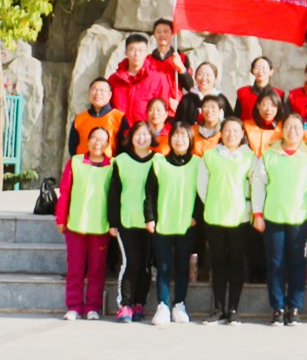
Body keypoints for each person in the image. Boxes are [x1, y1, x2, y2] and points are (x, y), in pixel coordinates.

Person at [253, 112, 307, 326]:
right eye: (288, 127)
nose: (292, 131)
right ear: (282, 130)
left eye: (297, 127)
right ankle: (278, 307)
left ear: (303, 131)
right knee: (275, 263)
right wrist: (257, 214)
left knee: (298, 263)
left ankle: (294, 307)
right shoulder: (269, 154)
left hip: (300, 218)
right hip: (273, 217)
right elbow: (258, 185)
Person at [197, 116, 257, 324]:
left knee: (237, 263)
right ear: (221, 133)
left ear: (242, 135)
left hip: (240, 218)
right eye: (227, 130)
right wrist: (215, 202)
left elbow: (255, 186)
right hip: (215, 216)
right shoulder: (210, 155)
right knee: (218, 263)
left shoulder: (250, 157)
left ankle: (233, 309)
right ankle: (218, 308)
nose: (231, 135)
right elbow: (202, 187)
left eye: (236, 131)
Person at [56, 124, 115, 321]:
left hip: (100, 225)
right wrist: (61, 218)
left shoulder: (111, 165)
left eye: (102, 139)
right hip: (76, 224)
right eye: (94, 138)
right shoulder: (75, 162)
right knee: (75, 268)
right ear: (87, 141)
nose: (97, 143)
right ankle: (74, 306)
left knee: (97, 270)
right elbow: (65, 192)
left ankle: (92, 307)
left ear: (108, 143)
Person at [107, 121, 160, 324]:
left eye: (146, 134)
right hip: (127, 220)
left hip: (151, 223)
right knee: (130, 263)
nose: (141, 138)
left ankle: (139, 302)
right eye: (138, 134)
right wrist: (113, 222)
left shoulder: (158, 160)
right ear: (131, 137)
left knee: (146, 266)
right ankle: (125, 305)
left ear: (152, 137)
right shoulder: (121, 161)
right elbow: (114, 194)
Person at [149, 122, 199, 326]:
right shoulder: (159, 162)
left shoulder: (198, 163)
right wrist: (150, 218)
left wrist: (196, 216)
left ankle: (179, 304)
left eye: (184, 136)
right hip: (163, 223)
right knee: (163, 266)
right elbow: (150, 193)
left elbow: (202, 193)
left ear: (190, 140)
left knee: (182, 265)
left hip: (186, 224)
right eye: (176, 135)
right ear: (170, 139)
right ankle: (162, 305)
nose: (180, 139)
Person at [109, 33, 179, 128]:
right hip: (119, 131)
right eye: (132, 50)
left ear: (146, 53)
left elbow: (164, 109)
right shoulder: (114, 79)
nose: (136, 54)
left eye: (141, 50)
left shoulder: (158, 79)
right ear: (126, 52)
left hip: (146, 132)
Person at [69, 78, 124, 156]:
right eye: (94, 90)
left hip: (109, 162)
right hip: (82, 162)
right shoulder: (80, 118)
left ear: (109, 95)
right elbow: (72, 146)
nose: (98, 93)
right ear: (89, 93)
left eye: (102, 90)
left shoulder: (119, 117)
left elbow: (123, 147)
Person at [174, 62, 224, 129]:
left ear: (215, 79)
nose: (204, 78)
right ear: (195, 77)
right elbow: (178, 123)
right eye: (200, 74)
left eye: (208, 75)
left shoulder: (221, 98)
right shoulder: (187, 99)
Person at [149, 19, 194, 92]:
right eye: (159, 32)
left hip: (174, 98)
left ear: (172, 34)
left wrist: (181, 68)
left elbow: (190, 87)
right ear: (154, 35)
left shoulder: (181, 58)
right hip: (152, 98)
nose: (162, 34)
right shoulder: (147, 60)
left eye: (165, 31)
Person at [236, 56, 279, 121]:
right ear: (252, 71)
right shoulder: (243, 93)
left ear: (271, 71)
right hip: (246, 126)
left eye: (264, 68)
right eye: (257, 68)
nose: (260, 71)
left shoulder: (279, 94)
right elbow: (236, 117)